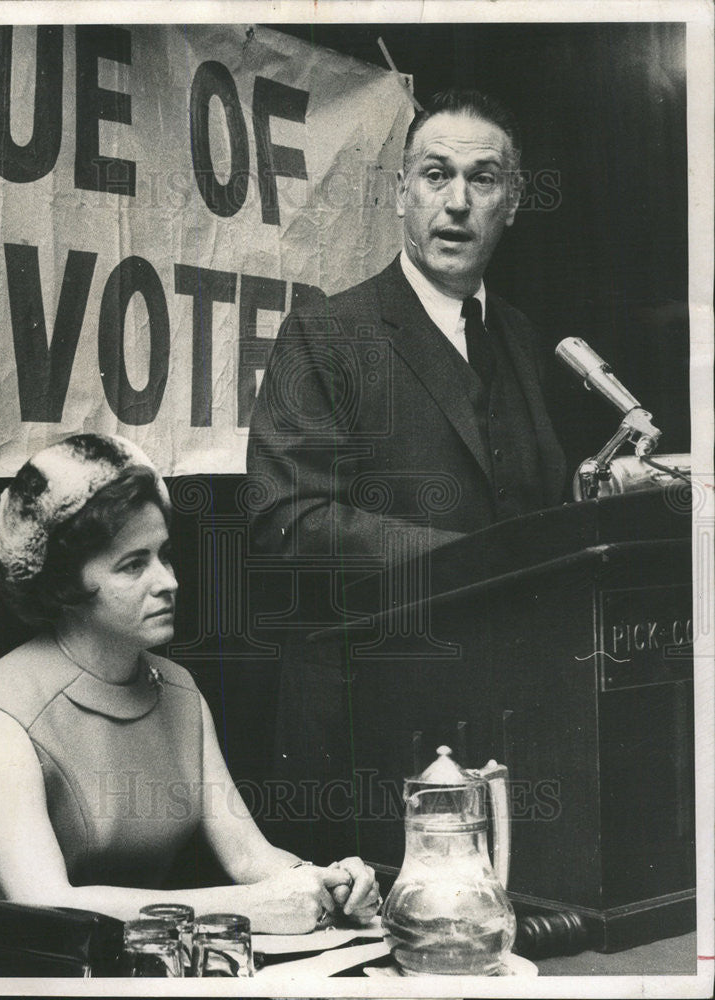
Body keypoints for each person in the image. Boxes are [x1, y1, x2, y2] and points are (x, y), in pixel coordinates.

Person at [246, 89, 567, 860]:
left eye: (483, 180)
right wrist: (471, 563)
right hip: (367, 728)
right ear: (400, 194)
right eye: (434, 175)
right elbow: (285, 522)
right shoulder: (325, 332)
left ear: (512, 203)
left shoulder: (523, 340)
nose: (456, 202)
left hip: (502, 722)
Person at [0, 434, 379, 977]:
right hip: (2, 978)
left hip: (126, 969)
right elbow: (43, 905)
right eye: (133, 565)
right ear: (63, 583)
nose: (168, 581)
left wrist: (324, 881)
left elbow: (248, 857)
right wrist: (245, 909)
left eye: (165, 555)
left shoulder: (178, 691)